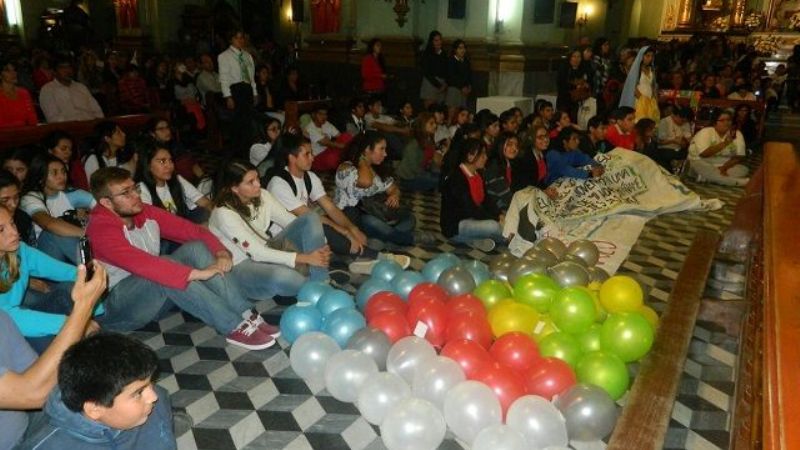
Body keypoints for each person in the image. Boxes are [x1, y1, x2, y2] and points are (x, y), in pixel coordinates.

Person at [85, 167, 276, 349]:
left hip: (156, 294)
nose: (136, 195)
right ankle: (232, 326)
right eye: (126, 193)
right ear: (106, 203)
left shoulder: (142, 210)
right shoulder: (100, 228)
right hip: (120, 307)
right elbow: (143, 264)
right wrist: (196, 274)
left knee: (196, 247)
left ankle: (247, 314)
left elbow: (193, 231)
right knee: (166, 265)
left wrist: (221, 252)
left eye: (135, 188)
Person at [0, 248, 106, 450]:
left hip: (28, 421)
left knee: (119, 403)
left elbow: (42, 378)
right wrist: (81, 311)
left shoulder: (2, 319)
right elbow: (34, 393)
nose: (13, 232)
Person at [266, 134, 410, 274]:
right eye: (307, 154)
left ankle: (353, 259)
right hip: (283, 239)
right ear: (291, 158)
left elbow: (330, 207)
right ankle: (376, 257)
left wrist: (352, 230)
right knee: (320, 225)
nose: (313, 157)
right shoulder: (279, 184)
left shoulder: (310, 177)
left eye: (312, 153)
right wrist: (346, 232)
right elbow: (309, 216)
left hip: (305, 230)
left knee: (349, 214)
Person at [17, 333, 175, 449]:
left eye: (150, 383)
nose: (153, 396)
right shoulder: (53, 445)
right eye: (138, 393)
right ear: (94, 409)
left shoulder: (155, 401)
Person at [210, 160, 331, 299]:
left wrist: (322, 244)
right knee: (283, 276)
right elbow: (257, 253)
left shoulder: (262, 195)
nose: (258, 184)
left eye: (257, 178)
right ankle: (312, 286)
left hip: (268, 247)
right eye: (250, 182)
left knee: (310, 218)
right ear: (235, 188)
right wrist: (306, 258)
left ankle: (321, 281)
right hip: (242, 265)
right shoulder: (223, 214)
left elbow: (291, 221)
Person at [335, 132, 434, 247]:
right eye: (381, 149)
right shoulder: (346, 167)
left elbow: (393, 188)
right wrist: (362, 160)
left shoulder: (377, 168)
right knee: (371, 222)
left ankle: (384, 238)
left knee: (410, 218)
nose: (385, 154)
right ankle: (408, 238)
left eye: (385, 149)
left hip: (378, 213)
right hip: (353, 218)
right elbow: (366, 182)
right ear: (367, 149)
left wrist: (394, 195)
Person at [21, 154, 95, 264]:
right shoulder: (30, 199)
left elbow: (104, 207)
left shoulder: (71, 194)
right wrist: (89, 234)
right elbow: (48, 224)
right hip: (45, 255)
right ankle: (93, 267)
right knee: (55, 231)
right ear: (40, 177)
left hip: (71, 252)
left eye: (63, 172)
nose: (61, 176)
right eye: (54, 173)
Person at [440, 138, 504, 252]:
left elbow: (486, 199)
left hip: (472, 220)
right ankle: (507, 238)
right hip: (457, 225)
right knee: (493, 226)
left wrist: (499, 214)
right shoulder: (457, 177)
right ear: (470, 156)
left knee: (500, 221)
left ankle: (474, 240)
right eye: (482, 154)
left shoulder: (477, 174)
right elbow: (470, 209)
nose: (486, 157)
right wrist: (495, 219)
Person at [136, 141, 211, 224]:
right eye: (162, 161)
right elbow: (152, 224)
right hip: (163, 233)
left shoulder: (176, 179)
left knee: (204, 214)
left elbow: (204, 202)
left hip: (182, 227)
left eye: (170, 160)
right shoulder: (142, 189)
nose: (169, 166)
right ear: (148, 165)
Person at [219, 29, 258, 155]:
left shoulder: (247, 56)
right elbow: (224, 77)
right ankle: (237, 153)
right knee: (237, 125)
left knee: (248, 123)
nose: (240, 40)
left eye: (242, 38)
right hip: (236, 90)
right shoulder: (224, 56)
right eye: (237, 38)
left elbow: (251, 77)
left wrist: (255, 92)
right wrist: (228, 96)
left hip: (247, 90)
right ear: (231, 39)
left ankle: (247, 152)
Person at [688, 110, 749, 186]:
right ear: (714, 122)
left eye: (728, 120)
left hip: (723, 163)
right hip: (701, 161)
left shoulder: (737, 133)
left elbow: (739, 156)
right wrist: (725, 143)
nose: (726, 123)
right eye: (722, 120)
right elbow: (704, 154)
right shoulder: (706, 132)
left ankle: (706, 177)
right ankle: (737, 182)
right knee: (705, 168)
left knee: (743, 169)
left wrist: (724, 168)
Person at [38, 56, 104, 123]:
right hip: (67, 129)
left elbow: (97, 111)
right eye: (62, 67)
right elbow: (53, 118)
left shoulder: (81, 87)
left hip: (91, 126)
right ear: (54, 71)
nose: (67, 71)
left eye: (69, 67)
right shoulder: (48, 90)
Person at [396, 111, 441, 192]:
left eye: (435, 123)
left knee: (442, 177)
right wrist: (428, 174)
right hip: (409, 178)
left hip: (422, 172)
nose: (435, 126)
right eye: (431, 123)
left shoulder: (429, 140)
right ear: (423, 125)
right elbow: (413, 168)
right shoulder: (414, 143)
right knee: (438, 181)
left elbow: (430, 162)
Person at [620, 46, 659, 122]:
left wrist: (654, 102)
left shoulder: (652, 70)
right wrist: (643, 100)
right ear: (641, 56)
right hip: (639, 101)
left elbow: (653, 87)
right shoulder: (636, 70)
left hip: (650, 102)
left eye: (652, 56)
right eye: (647, 56)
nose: (650, 58)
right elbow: (633, 87)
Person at [305, 105, 350, 172]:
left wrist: (346, 145)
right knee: (332, 158)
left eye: (325, 114)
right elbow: (325, 143)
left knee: (346, 136)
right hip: (317, 157)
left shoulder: (326, 124)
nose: (324, 117)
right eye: (320, 114)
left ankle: (349, 158)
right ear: (313, 115)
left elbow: (340, 136)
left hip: (329, 151)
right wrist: (344, 146)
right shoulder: (310, 128)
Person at [0, 169, 36, 246]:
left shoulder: (23, 219)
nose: (13, 204)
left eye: (16, 197)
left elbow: (32, 252)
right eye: (4, 200)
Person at [0, 59, 38, 128]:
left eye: (14, 70)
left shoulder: (24, 92)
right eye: (8, 71)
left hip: (26, 133)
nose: (13, 73)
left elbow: (32, 118)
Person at [655, 106, 692, 172]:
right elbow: (660, 142)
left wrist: (689, 143)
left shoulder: (685, 123)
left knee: (690, 155)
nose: (683, 123)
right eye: (682, 121)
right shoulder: (665, 122)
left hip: (679, 149)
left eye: (685, 122)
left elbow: (689, 138)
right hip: (665, 149)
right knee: (667, 156)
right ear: (677, 116)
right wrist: (674, 141)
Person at [557, 49, 591, 120]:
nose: (576, 59)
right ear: (570, 57)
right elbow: (562, 84)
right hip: (565, 101)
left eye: (579, 57)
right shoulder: (564, 69)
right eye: (574, 56)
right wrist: (575, 86)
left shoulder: (583, 69)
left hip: (579, 102)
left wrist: (585, 85)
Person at [420, 31, 448, 108]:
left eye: (440, 40)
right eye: (436, 40)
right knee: (430, 109)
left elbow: (446, 69)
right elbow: (426, 72)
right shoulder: (427, 54)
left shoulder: (443, 54)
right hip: (430, 83)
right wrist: (438, 85)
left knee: (439, 110)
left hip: (442, 83)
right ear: (431, 42)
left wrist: (445, 83)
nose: (438, 42)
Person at [445, 39, 472, 114]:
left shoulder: (466, 61)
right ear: (455, 49)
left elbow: (468, 75)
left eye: (463, 48)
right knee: (452, 112)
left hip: (464, 91)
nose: (462, 50)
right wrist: (461, 87)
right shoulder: (451, 61)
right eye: (460, 48)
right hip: (454, 89)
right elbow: (450, 77)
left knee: (461, 112)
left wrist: (469, 85)